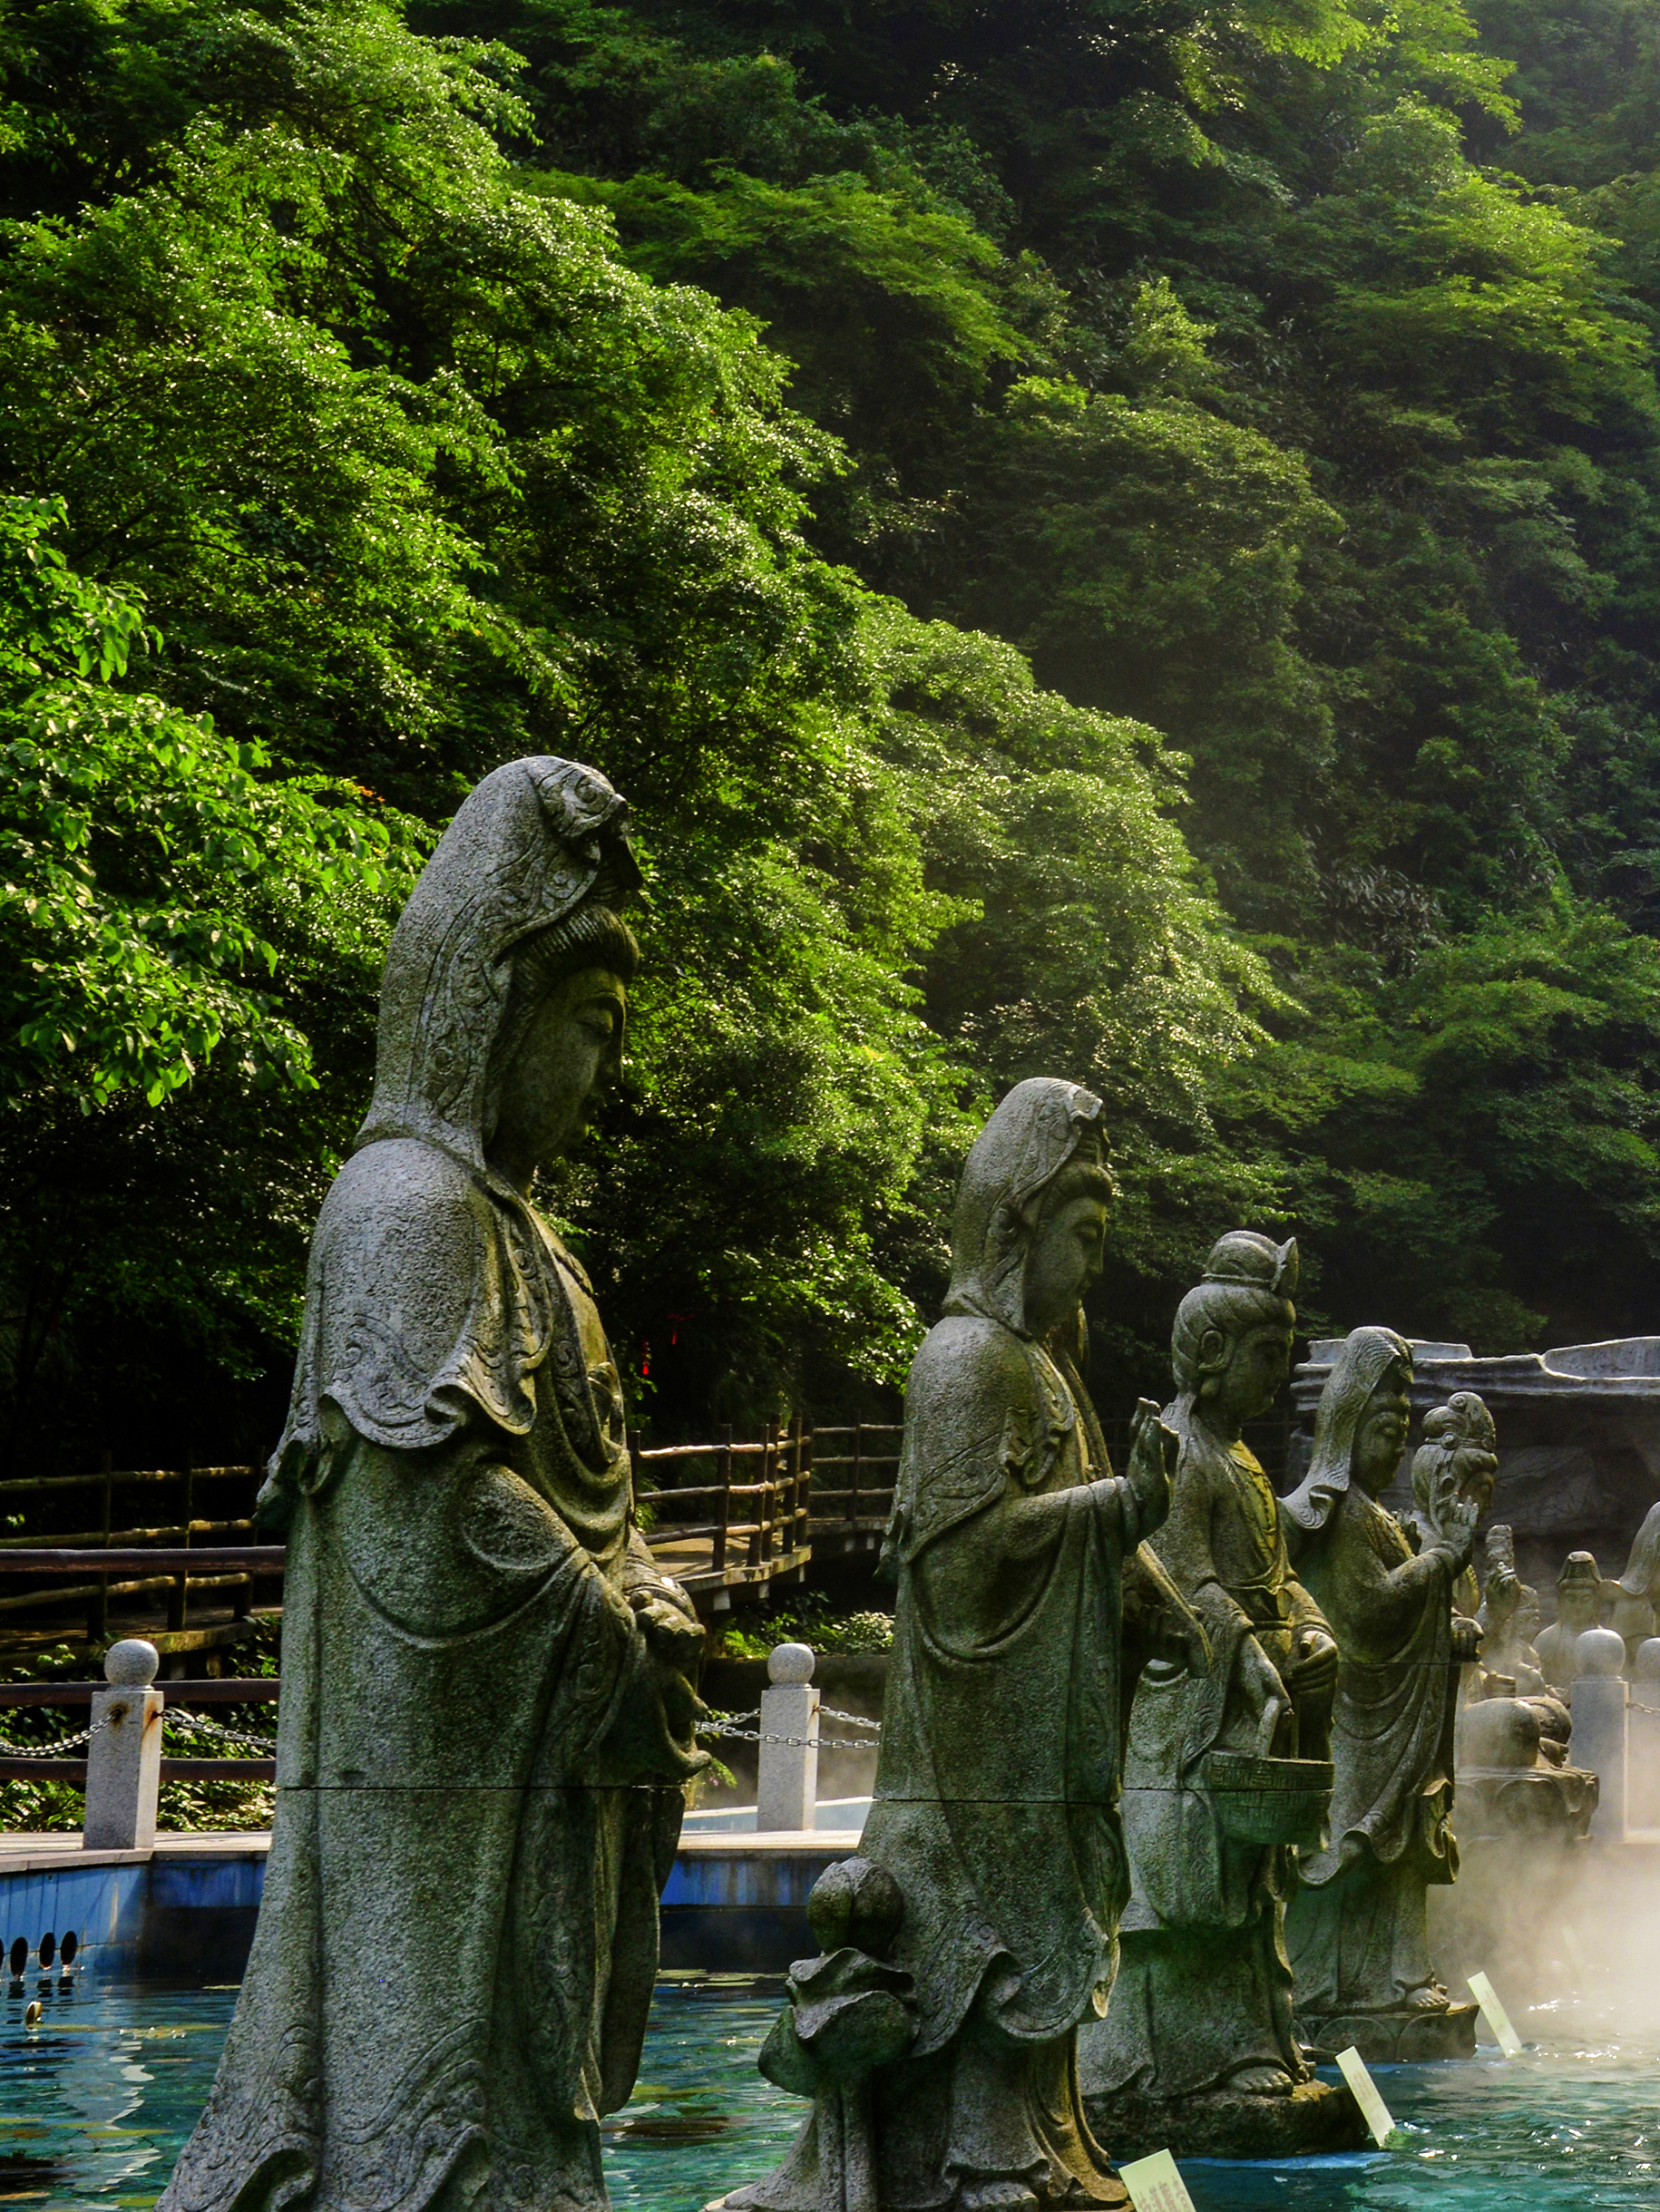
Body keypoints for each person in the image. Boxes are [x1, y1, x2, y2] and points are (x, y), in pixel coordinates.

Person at [165, 755, 703, 2212]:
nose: (607, 1071)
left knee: (541, 2084)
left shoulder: (542, 1247)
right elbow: (435, 1520)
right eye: (591, 1026)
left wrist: (643, 1582)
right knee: (434, 2103)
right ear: (497, 1001)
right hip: (447, 1774)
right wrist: (602, 1615)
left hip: (553, 1761)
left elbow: (600, 1490)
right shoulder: (405, 1205)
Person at [747, 1079, 1165, 2212]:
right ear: (1017, 1225)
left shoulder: (1048, 1370)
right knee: (988, 1948)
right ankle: (983, 2160)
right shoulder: (964, 1359)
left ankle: (1039, 2145)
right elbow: (964, 1568)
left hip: (1044, 1743)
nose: (1092, 1266)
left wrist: (1153, 1595)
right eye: (1081, 1235)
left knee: (1046, 1936)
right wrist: (1113, 1510)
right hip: (975, 1744)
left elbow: (1092, 1532)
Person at [1082, 1233, 1336, 2146]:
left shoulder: (1248, 1461)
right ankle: (1149, 2067)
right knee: (1180, 1898)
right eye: (1269, 1356)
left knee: (1251, 1894)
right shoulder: (1182, 1451)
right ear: (1213, 1354)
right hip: (1189, 1709)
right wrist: (1240, 1648)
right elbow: (1173, 1572)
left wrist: (1306, 1628)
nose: (1280, 1374)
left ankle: (1245, 2049)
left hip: (1252, 1715)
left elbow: (1275, 1575)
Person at [1285, 1330, 1481, 2032]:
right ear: (1346, 1425)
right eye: (1383, 1427)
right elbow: (1371, 1606)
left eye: (1402, 1431)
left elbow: (1409, 1604)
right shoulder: (1337, 1513)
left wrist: (1446, 1613)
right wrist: (1444, 1558)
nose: (1396, 1445)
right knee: (1346, 1851)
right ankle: (1321, 1985)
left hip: (1398, 1710)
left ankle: (1398, 1975)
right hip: (1356, 1712)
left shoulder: (1377, 1515)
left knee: (1405, 1843)